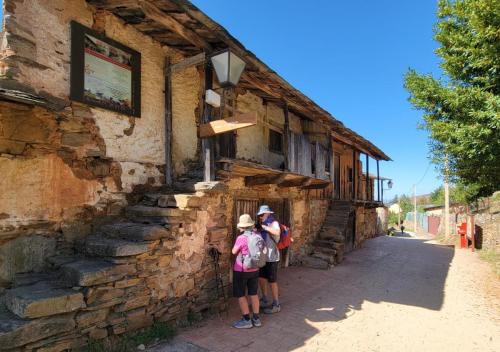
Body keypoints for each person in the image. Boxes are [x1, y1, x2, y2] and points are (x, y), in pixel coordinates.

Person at [231, 214, 262, 329]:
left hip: (242, 270)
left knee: (241, 295)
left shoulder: (241, 238)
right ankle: (256, 318)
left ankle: (246, 320)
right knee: (253, 293)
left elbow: (234, 251)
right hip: (255, 269)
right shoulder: (257, 235)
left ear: (242, 227)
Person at [256, 205, 281, 314]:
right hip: (262, 257)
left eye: (263, 214)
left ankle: (276, 304)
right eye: (260, 214)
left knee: (272, 280)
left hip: (272, 257)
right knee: (261, 278)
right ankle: (265, 298)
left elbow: (277, 232)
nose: (261, 216)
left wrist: (265, 227)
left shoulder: (273, 223)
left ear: (268, 213)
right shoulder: (261, 224)